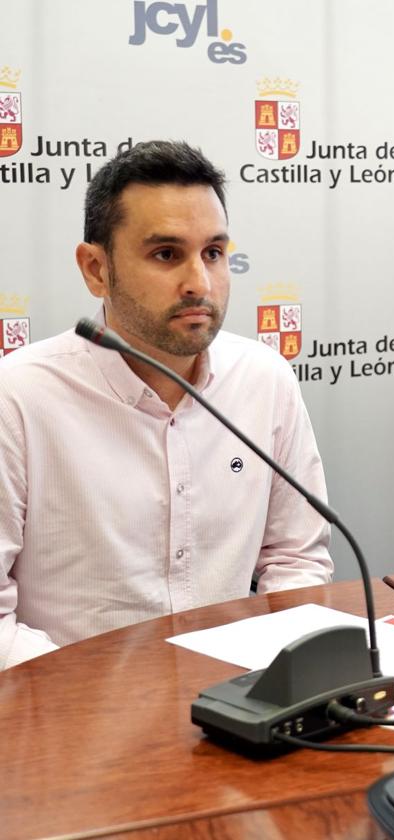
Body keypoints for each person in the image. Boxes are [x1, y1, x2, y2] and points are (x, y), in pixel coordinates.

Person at [0, 141, 333, 669]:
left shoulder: (263, 378)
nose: (199, 284)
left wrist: (275, 672)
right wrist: (93, 699)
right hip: (73, 714)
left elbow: (296, 558)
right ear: (95, 269)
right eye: (166, 255)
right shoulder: (17, 398)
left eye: (214, 253)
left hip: (233, 699)